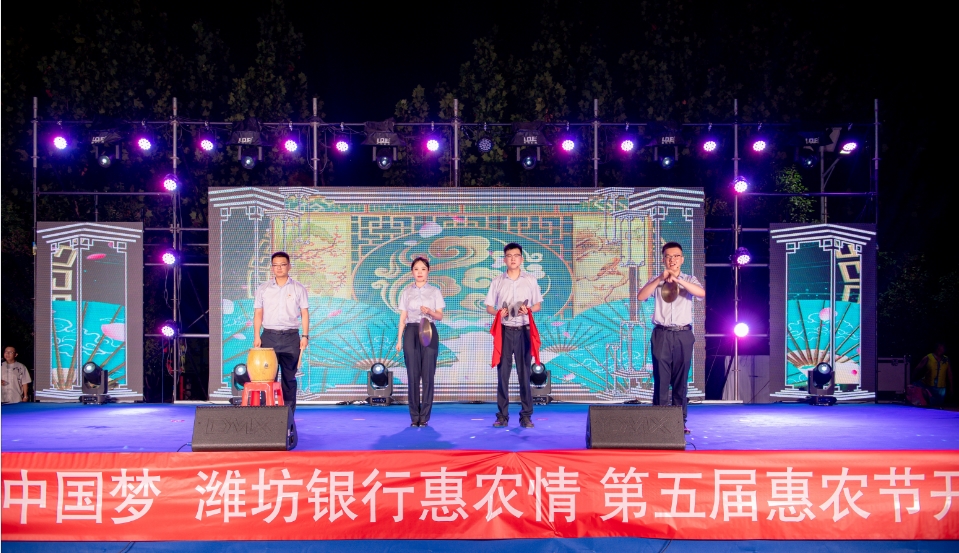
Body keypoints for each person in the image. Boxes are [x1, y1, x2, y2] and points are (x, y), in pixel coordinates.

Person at [637, 242, 705, 434]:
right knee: (661, 378)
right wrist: (661, 278)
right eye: (668, 256)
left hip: (683, 334)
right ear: (663, 259)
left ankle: (679, 422)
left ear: (682, 259)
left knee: (681, 380)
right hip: (662, 334)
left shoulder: (690, 279)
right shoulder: (656, 280)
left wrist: (678, 280)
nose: (672, 259)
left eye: (676, 256)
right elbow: (641, 296)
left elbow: (701, 293)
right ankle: (659, 420)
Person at [485, 242, 543, 428]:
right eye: (509, 256)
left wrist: (528, 310)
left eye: (516, 256)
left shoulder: (530, 280)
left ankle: (526, 415)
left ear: (521, 259)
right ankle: (502, 415)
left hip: (524, 331)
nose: (513, 259)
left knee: (524, 374)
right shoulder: (497, 281)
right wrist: (498, 313)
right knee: (503, 375)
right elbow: (489, 307)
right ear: (504, 260)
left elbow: (537, 305)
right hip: (504, 331)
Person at [253, 251, 310, 408]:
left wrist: (305, 336)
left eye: (283, 265)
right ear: (272, 267)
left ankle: (288, 415)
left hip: (291, 337)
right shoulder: (263, 288)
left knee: (289, 378)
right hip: (269, 337)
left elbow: (304, 313)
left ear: (289, 266)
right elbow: (258, 313)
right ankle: (266, 415)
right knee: (266, 377)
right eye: (276, 265)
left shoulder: (298, 288)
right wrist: (257, 336)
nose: (279, 268)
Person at [396, 257, 445, 427]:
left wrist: (430, 312)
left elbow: (440, 316)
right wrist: (399, 339)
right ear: (412, 272)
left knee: (428, 375)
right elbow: (403, 317)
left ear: (428, 271)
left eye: (423, 269)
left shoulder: (434, 291)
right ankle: (414, 416)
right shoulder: (406, 292)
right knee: (412, 375)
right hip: (411, 331)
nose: (419, 272)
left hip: (428, 329)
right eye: (416, 269)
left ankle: (424, 416)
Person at [914, 343, 952, 407]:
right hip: (929, 386)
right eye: (939, 348)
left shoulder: (946, 359)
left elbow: (950, 374)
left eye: (942, 349)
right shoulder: (928, 357)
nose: (940, 350)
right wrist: (912, 378)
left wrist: (951, 387)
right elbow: (917, 369)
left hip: (941, 388)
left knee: (938, 405)